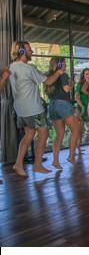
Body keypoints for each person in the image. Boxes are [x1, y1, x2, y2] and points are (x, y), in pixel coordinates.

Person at [8, 40, 64, 177]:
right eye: (28, 49)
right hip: (34, 110)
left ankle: (18, 164)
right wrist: (58, 72)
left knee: (29, 135)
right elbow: (48, 81)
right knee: (44, 134)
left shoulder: (11, 67)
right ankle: (37, 165)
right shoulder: (29, 68)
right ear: (21, 52)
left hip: (20, 110)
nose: (32, 51)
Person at [45, 57, 79, 169]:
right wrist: (72, 85)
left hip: (52, 105)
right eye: (64, 63)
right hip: (63, 104)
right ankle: (71, 156)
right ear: (59, 65)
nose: (65, 65)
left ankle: (55, 161)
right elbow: (66, 90)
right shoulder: (63, 75)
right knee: (75, 130)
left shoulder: (48, 76)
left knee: (59, 135)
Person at [75, 68, 89, 153]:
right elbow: (76, 97)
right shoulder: (80, 84)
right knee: (80, 130)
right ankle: (77, 147)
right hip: (82, 107)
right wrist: (82, 107)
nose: (88, 76)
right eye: (86, 74)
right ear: (83, 75)